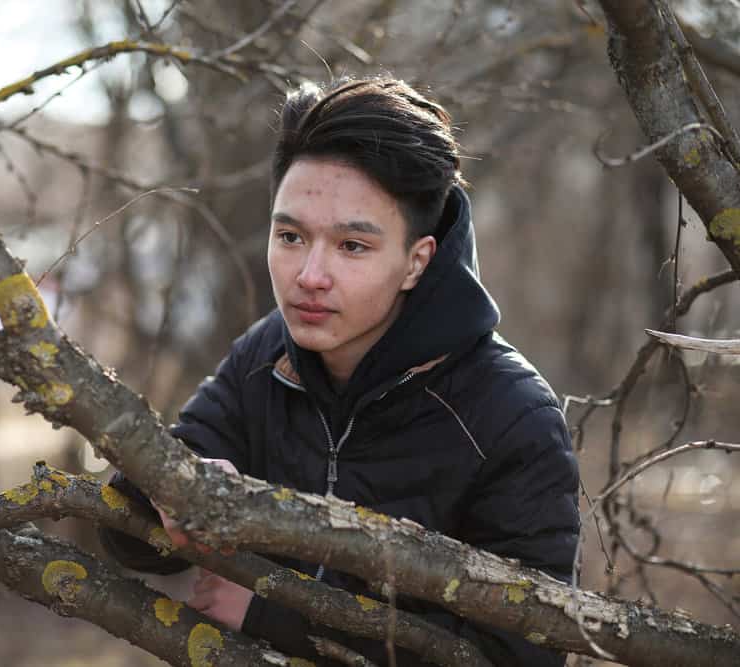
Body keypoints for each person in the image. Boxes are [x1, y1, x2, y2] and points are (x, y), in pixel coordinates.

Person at [99, 76, 580, 666]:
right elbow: (127, 537)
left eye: (352, 246)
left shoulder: (511, 416)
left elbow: (518, 657)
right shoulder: (266, 355)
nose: (309, 275)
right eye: (291, 236)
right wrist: (173, 484)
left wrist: (273, 616)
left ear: (416, 261)